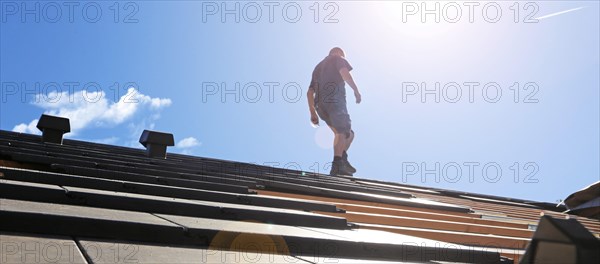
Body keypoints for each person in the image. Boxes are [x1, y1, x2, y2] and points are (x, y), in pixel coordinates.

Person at [307, 47, 361, 176]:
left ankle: (342, 159)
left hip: (320, 106)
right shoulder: (338, 59)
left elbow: (310, 92)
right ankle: (337, 165)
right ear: (339, 53)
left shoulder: (317, 68)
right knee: (343, 132)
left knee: (348, 134)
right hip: (335, 100)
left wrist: (312, 112)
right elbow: (344, 73)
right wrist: (356, 90)